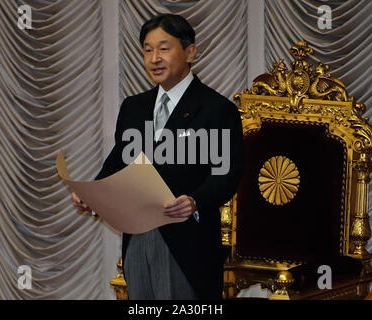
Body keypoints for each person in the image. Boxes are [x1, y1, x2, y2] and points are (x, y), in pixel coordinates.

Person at [72, 14, 244, 300]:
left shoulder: (216, 109)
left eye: (164, 48)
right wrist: (95, 192)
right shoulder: (134, 107)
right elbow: (118, 162)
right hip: (137, 237)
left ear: (190, 52)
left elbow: (227, 174)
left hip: (187, 241)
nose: (154, 58)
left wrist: (194, 201)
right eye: (147, 50)